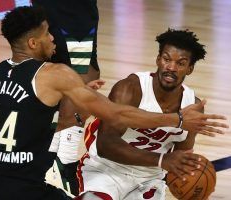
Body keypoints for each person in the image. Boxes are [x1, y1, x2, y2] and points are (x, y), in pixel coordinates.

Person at [0, 7, 227, 200]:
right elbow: (116, 115)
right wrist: (178, 120)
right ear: (34, 43)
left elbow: (27, 122)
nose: (54, 39)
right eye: (48, 34)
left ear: (189, 68)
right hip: (21, 187)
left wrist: (73, 108)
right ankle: (69, 171)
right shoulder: (55, 74)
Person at [75, 29, 227, 200]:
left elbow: (181, 158)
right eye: (166, 59)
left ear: (189, 69)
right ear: (158, 59)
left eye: (181, 63)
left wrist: (193, 184)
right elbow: (106, 145)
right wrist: (162, 160)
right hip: (106, 170)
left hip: (149, 180)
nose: (171, 67)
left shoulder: (194, 107)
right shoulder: (131, 89)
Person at [31, 0, 100, 195]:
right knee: (80, 76)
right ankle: (64, 162)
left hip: (52, 10)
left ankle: (50, 159)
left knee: (52, 72)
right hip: (72, 13)